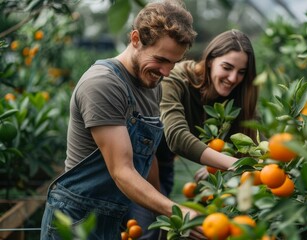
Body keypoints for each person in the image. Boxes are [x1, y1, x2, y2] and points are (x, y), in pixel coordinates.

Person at [39, 1, 201, 239]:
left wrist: (163, 211)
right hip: (76, 221)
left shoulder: (152, 84)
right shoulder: (103, 84)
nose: (167, 72)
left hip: (111, 218)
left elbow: (147, 157)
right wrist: (177, 211)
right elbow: (122, 171)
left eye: (174, 63)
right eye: (161, 60)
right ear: (135, 39)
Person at [133, 29, 260, 240]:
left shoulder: (237, 97)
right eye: (227, 67)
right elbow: (176, 136)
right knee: (147, 231)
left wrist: (221, 167)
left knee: (165, 232)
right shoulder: (176, 80)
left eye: (241, 72)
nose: (233, 78)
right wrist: (230, 163)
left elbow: (256, 147)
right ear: (210, 61)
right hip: (137, 163)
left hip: (163, 164)